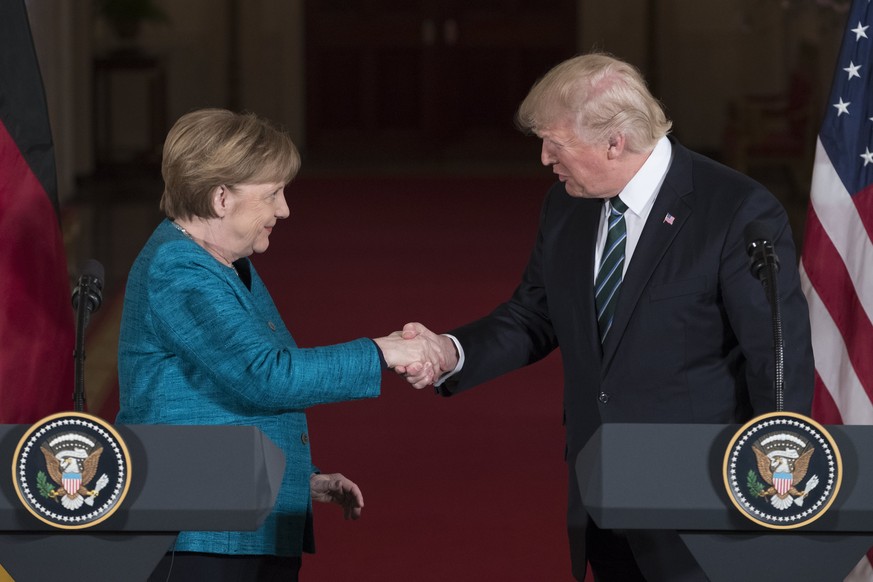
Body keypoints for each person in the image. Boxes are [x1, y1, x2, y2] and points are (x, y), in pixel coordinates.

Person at [400, 53, 814, 581]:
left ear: (615, 141)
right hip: (600, 492)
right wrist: (450, 351)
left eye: (555, 142)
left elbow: (777, 362)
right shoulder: (566, 205)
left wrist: (774, 497)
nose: (545, 157)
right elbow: (533, 315)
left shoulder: (736, 211)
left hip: (702, 501)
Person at [116, 108, 445, 581]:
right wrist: (384, 350)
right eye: (272, 194)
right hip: (196, 532)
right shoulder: (178, 269)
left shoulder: (221, 263)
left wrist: (296, 480)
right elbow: (266, 376)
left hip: (238, 516)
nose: (284, 209)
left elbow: (217, 399)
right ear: (221, 197)